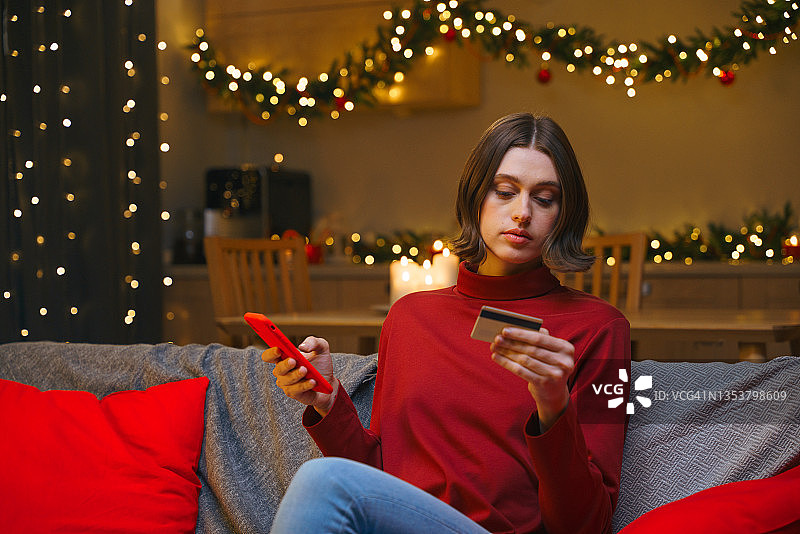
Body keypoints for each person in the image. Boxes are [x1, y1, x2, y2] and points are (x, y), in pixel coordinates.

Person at [263, 112, 630, 534]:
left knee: (320, 479)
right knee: (324, 481)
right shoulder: (409, 316)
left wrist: (553, 407)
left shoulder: (602, 328)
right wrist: (329, 404)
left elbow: (589, 525)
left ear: (563, 213)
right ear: (475, 196)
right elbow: (380, 479)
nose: (522, 213)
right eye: (505, 192)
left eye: (545, 198)